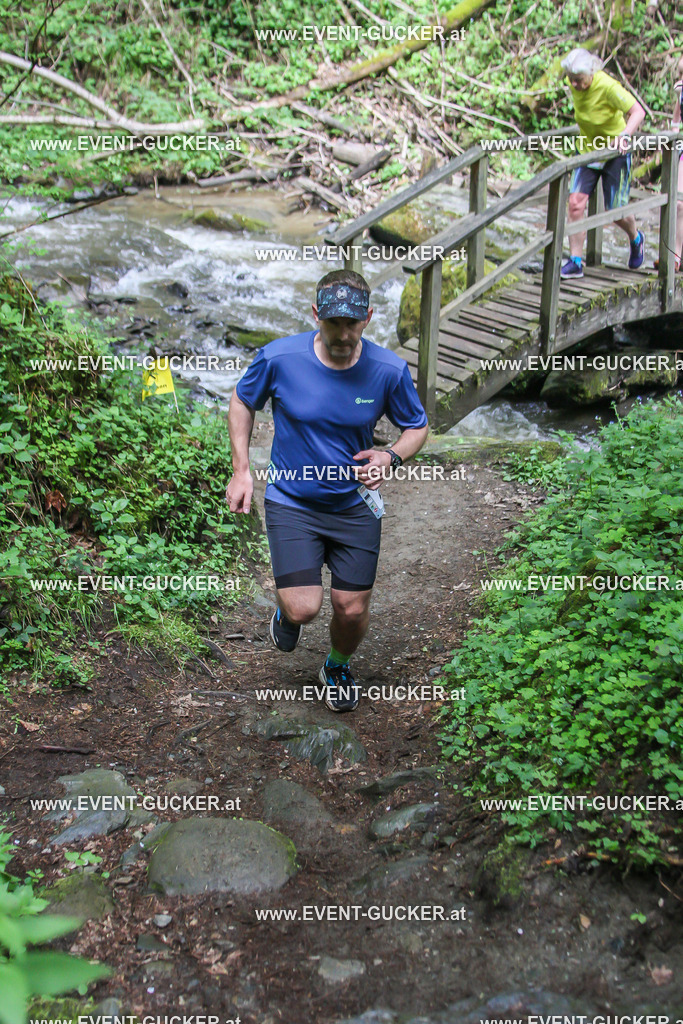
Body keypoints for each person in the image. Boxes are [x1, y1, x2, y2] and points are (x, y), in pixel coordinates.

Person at [225, 269, 429, 713]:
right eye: (333, 321)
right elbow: (242, 400)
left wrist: (390, 456)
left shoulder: (388, 370)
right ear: (316, 314)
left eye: (352, 323)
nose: (342, 333)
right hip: (292, 501)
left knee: (351, 609)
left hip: (353, 504)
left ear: (369, 318)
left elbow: (417, 426)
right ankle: (285, 611)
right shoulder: (279, 359)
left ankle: (336, 665)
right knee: (303, 609)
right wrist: (242, 469)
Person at [559, 47, 646, 280]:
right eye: (571, 80)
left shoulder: (607, 86)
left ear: (591, 73)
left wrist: (625, 134)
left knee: (616, 212)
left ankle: (636, 238)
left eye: (578, 80)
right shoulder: (575, 83)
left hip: (614, 152)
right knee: (575, 205)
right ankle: (576, 261)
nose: (574, 85)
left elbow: (637, 111)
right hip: (588, 151)